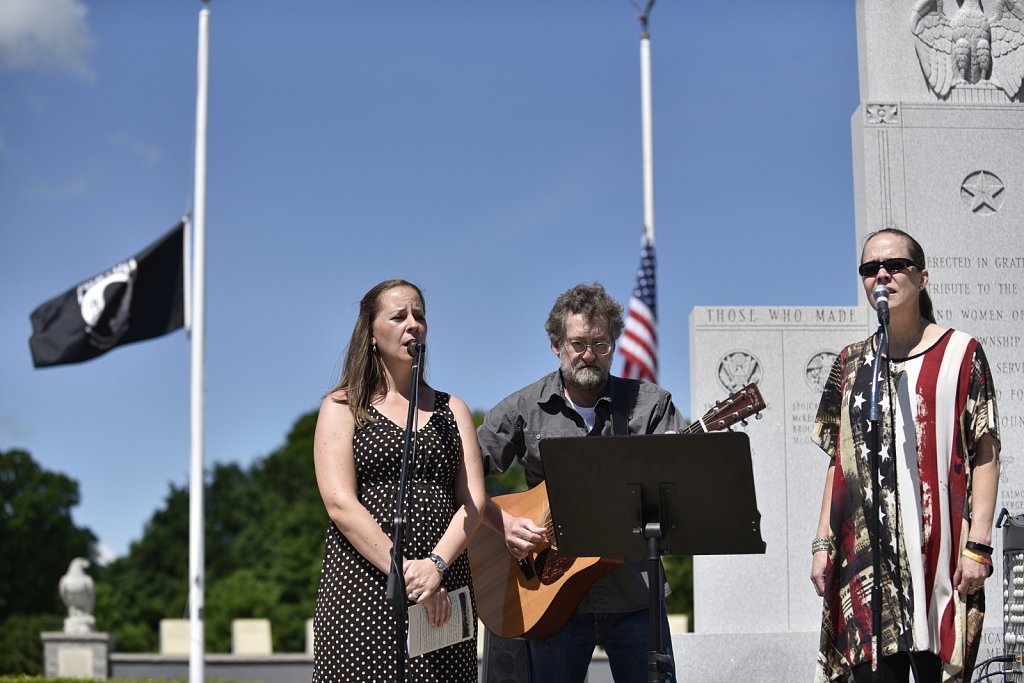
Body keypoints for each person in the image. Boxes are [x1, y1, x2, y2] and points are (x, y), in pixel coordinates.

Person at [809, 229, 1000, 682]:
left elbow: (986, 452)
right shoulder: (852, 363)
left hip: (941, 554)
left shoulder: (961, 352)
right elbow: (839, 460)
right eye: (870, 268)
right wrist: (822, 543)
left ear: (922, 277)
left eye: (895, 266)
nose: (882, 275)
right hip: (867, 562)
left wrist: (978, 544)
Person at [477, 282, 684, 682]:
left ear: (615, 344)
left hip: (634, 593)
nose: (589, 354)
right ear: (556, 345)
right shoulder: (523, 409)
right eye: (577, 343)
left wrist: (678, 464)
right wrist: (499, 523)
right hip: (548, 596)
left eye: (600, 344)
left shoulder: (650, 405)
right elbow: (458, 472)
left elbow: (682, 498)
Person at [311, 279, 487, 682]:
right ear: (371, 333)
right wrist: (408, 571)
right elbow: (339, 502)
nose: (414, 325)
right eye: (399, 316)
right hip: (366, 586)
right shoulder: (343, 406)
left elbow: (474, 501)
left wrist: (436, 566)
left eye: (420, 316)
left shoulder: (452, 409)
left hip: (443, 583)